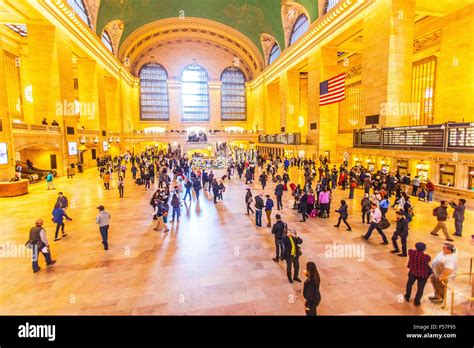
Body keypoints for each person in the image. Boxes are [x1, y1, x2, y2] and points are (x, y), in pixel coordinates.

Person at [404, 242, 432, 306]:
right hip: (423, 275)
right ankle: (417, 301)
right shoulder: (426, 257)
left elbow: (410, 250)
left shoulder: (411, 252)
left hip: (413, 272)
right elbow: (428, 260)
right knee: (420, 288)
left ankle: (407, 296)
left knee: (409, 284)